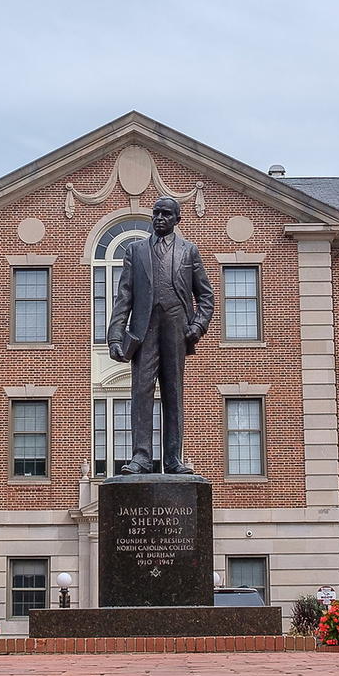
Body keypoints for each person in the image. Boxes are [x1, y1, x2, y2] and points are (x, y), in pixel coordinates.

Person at [106, 196, 216, 474]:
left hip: (177, 328)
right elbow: (124, 297)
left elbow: (205, 295)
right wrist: (115, 336)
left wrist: (198, 326)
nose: (159, 218)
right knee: (141, 391)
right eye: (156, 213)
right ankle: (141, 457)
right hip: (143, 331)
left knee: (173, 392)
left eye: (166, 214)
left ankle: (173, 459)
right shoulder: (135, 250)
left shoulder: (189, 251)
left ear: (177, 219)